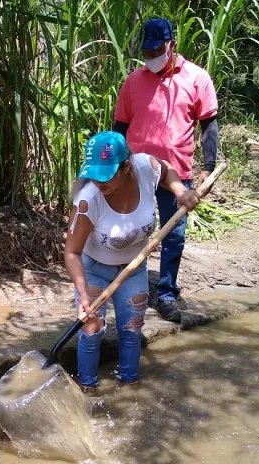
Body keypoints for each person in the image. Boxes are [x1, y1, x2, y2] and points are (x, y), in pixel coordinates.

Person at [65, 131, 199, 391]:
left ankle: (129, 387)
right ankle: (87, 389)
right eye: (93, 174)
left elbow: (167, 170)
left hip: (134, 267)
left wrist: (180, 190)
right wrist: (82, 294)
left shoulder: (144, 167)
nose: (97, 181)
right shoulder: (88, 200)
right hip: (94, 270)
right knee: (91, 329)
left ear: (126, 166)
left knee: (132, 329)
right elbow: (71, 253)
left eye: (105, 175)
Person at [113, 17, 218, 323]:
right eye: (146, 52)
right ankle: (127, 284)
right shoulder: (133, 82)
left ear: (172, 44)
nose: (151, 57)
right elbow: (120, 127)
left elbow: (208, 125)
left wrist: (208, 167)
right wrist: (116, 167)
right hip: (136, 172)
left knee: (173, 235)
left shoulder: (197, 78)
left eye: (156, 51)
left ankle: (167, 293)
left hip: (177, 173)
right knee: (130, 229)